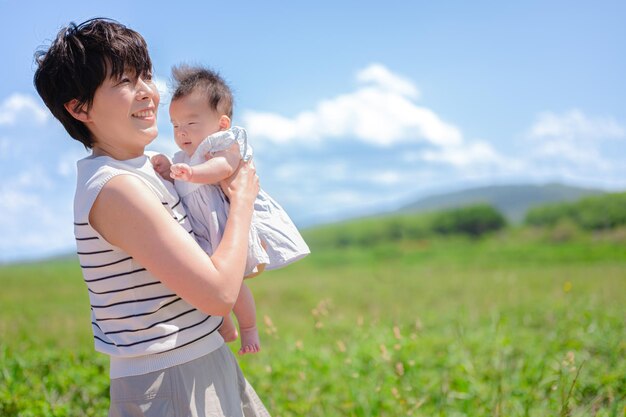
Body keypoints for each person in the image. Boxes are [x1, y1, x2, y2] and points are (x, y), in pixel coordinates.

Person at [34, 18, 270, 416]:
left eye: (145, 75)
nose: (147, 92)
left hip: (202, 361)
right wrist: (243, 200)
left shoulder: (146, 169)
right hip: (171, 379)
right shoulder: (115, 188)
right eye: (125, 81)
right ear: (79, 108)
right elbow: (216, 293)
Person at [151, 66, 310, 356]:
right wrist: (168, 171)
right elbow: (180, 185)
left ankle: (249, 327)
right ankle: (224, 325)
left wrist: (191, 172)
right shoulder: (183, 158)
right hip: (198, 231)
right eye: (175, 125)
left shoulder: (225, 144)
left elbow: (222, 169)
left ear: (221, 123)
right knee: (204, 282)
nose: (182, 132)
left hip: (221, 226)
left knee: (232, 284)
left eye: (191, 123)